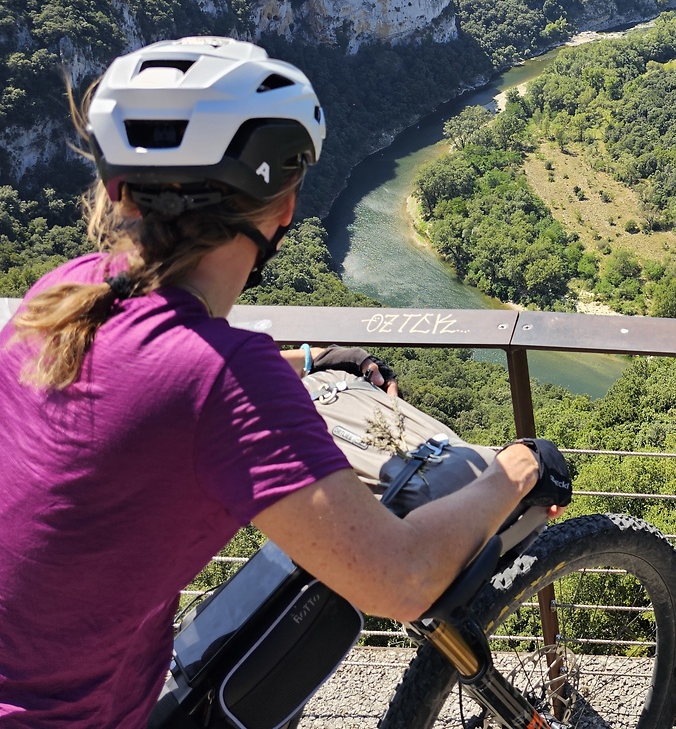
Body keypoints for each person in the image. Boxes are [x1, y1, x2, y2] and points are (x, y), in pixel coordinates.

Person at [0, 37, 559, 728]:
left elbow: (156, 381)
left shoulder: (67, 293)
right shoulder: (226, 382)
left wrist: (310, 361)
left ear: (120, 192)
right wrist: (517, 470)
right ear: (285, 208)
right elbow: (403, 578)